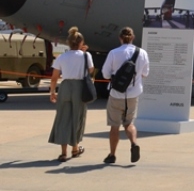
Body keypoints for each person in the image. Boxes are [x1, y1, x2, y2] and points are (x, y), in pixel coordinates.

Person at [101, 27, 150, 164]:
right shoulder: (142, 53)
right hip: (133, 95)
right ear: (133, 37)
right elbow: (145, 73)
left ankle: (112, 155)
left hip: (116, 94)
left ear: (120, 38)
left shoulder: (113, 53)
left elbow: (105, 74)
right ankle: (134, 143)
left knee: (114, 126)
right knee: (129, 123)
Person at [49, 27, 94, 162]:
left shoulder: (62, 57)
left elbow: (54, 77)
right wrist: (84, 53)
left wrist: (52, 91)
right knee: (77, 117)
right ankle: (75, 148)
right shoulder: (86, 56)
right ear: (81, 43)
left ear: (68, 43)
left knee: (63, 117)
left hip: (65, 86)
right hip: (79, 87)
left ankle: (63, 152)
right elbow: (91, 71)